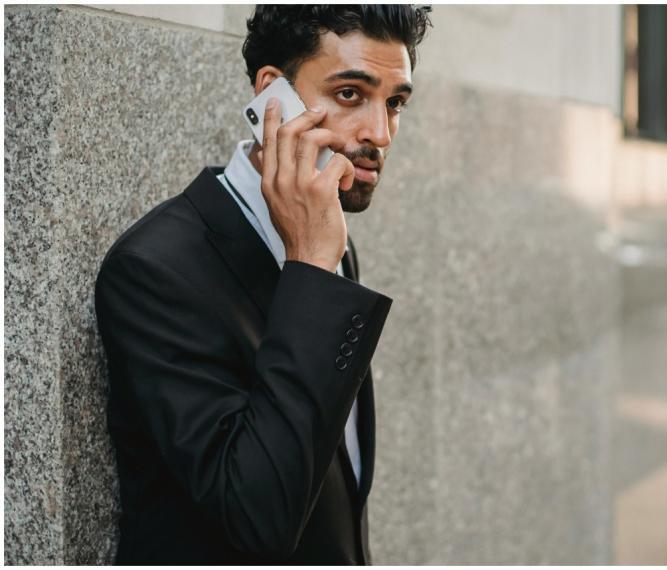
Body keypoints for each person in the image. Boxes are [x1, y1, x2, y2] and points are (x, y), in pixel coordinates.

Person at [94, 5, 432, 564]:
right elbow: (258, 518)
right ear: (272, 95)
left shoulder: (332, 241)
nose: (380, 132)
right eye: (350, 93)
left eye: (395, 102)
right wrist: (310, 271)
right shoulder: (156, 270)